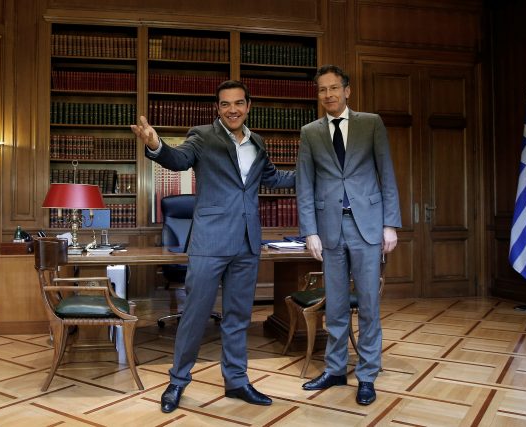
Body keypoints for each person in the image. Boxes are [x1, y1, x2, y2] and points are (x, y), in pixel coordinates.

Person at [131, 80, 295, 413]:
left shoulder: (258, 143)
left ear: (248, 106)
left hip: (248, 243)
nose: (232, 109)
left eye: (238, 103)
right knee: (194, 315)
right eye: (225, 104)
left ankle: (236, 381)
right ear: (217, 108)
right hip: (210, 242)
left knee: (238, 318)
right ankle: (177, 381)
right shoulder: (203, 136)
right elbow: (178, 159)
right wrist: (156, 144)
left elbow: (275, 179)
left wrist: (315, 171)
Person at [295, 65, 401, 405]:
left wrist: (390, 224)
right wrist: (309, 231)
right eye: (322, 90)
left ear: (347, 90)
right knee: (336, 306)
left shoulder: (371, 123)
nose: (328, 95)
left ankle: (368, 375)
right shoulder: (310, 132)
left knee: (368, 304)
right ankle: (336, 369)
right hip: (329, 229)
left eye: (334, 88)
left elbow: (386, 173)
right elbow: (304, 185)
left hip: (367, 225)